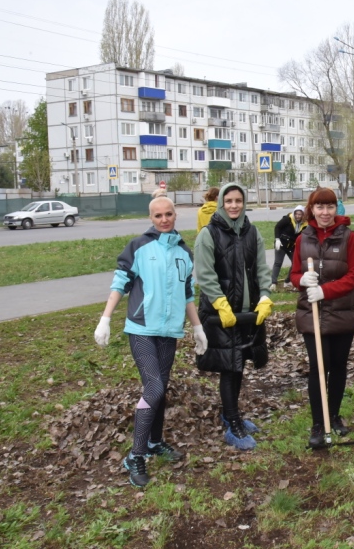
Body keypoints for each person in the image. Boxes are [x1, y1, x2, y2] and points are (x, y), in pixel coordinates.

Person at [94, 189, 208, 488]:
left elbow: (187, 293)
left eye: (168, 214)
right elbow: (121, 282)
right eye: (158, 215)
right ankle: (135, 455)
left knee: (161, 388)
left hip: (169, 331)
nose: (164, 219)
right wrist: (105, 319)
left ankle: (155, 442)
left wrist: (197, 327)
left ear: (175, 214)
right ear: (150, 218)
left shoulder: (184, 252)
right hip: (141, 328)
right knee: (154, 388)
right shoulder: (139, 247)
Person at [193, 183, 273, 451]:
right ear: (221, 204)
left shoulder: (252, 232)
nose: (234, 205)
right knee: (229, 367)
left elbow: (262, 267)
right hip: (221, 315)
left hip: (246, 314)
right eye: (229, 201)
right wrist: (220, 303)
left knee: (238, 363)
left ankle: (231, 414)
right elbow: (204, 273)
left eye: (239, 200)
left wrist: (264, 296)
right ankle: (231, 423)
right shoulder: (209, 234)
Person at [290, 187, 354, 448]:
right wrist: (302, 280)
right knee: (318, 368)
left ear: (337, 209)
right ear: (311, 209)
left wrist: (325, 290)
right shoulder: (303, 238)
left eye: (330, 206)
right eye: (319, 207)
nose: (325, 212)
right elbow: (294, 274)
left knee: (339, 366)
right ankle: (318, 423)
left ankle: (333, 415)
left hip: (343, 312)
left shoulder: (349, 237)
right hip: (312, 315)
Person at [270, 205, 306, 291]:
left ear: (303, 215)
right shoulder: (287, 219)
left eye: (300, 214)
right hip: (281, 244)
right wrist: (277, 239)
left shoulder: (304, 224)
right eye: (296, 214)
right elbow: (277, 227)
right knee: (278, 263)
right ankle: (273, 283)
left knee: (295, 262)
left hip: (291, 246)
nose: (297, 216)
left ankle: (287, 281)